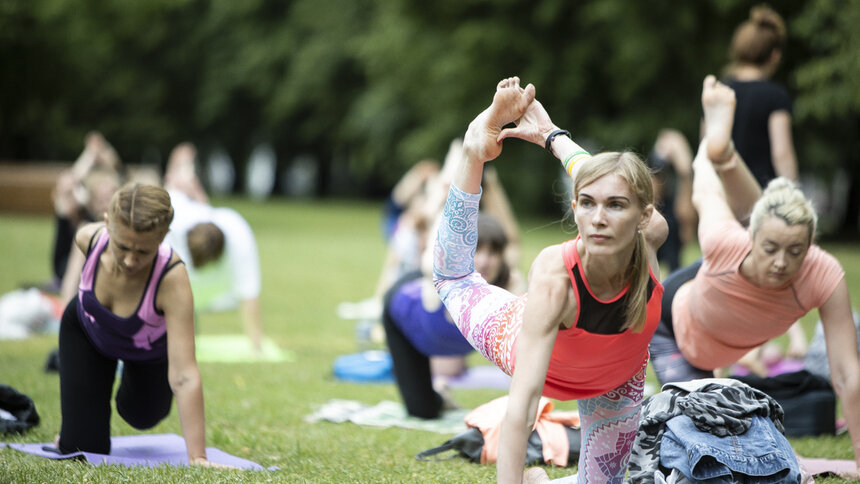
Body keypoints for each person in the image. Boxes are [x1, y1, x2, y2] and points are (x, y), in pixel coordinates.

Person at [433, 77, 667, 483]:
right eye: (588, 204)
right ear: (574, 207)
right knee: (454, 277)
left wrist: (551, 136)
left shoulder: (652, 239)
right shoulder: (555, 276)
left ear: (642, 215)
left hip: (618, 379)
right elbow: (522, 408)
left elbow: (605, 178)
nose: (599, 218)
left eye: (616, 206)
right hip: (519, 336)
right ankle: (473, 152)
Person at [649, 75, 860, 471]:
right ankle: (722, 149)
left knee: (748, 450)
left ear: (810, 245)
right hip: (673, 327)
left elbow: (848, 371)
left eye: (795, 251)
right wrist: (708, 144)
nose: (782, 262)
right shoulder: (725, 239)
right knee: (707, 447)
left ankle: (726, 151)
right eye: (771, 249)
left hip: (719, 324)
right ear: (752, 238)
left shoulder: (823, 275)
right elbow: (705, 193)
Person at [56, 183, 223, 467]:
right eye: (122, 246)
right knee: (81, 449)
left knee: (140, 415)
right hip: (87, 333)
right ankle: (85, 411)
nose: (131, 260)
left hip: (149, 353)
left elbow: (185, 374)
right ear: (107, 223)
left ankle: (129, 388)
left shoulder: (172, 277)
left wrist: (198, 457)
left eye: (144, 251)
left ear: (163, 236)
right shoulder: (88, 237)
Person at [383, 212, 517, 419]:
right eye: (476, 251)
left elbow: (521, 354)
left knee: (427, 408)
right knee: (421, 411)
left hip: (436, 338)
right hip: (402, 316)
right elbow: (435, 242)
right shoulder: (442, 277)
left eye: (492, 253)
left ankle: (441, 391)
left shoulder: (511, 286)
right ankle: (441, 394)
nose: (484, 261)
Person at [162, 143, 265, 354]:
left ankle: (184, 164)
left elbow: (250, 295)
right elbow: (249, 295)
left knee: (180, 183)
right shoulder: (179, 219)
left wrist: (257, 345)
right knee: (181, 183)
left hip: (197, 287)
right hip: (192, 288)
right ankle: (184, 164)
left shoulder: (235, 232)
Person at [721, 3, 798, 186]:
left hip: (725, 194)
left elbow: (708, 146)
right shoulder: (775, 96)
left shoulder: (719, 91)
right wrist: (793, 195)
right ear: (774, 55)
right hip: (762, 196)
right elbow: (781, 153)